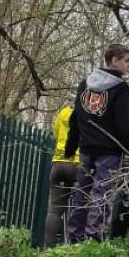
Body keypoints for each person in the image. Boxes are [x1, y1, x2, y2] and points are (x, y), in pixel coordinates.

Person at [63, 44, 129, 242]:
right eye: (126, 61)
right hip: (109, 151)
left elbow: (75, 118)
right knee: (101, 193)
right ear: (114, 60)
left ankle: (74, 237)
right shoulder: (120, 88)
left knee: (81, 193)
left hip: (86, 148)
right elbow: (123, 124)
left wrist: (71, 146)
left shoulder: (85, 84)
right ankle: (92, 239)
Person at [44, 105, 82, 247]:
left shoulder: (62, 112)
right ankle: (75, 246)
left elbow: (55, 134)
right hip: (77, 164)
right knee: (80, 207)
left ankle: (48, 249)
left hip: (59, 163)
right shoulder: (85, 115)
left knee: (54, 210)